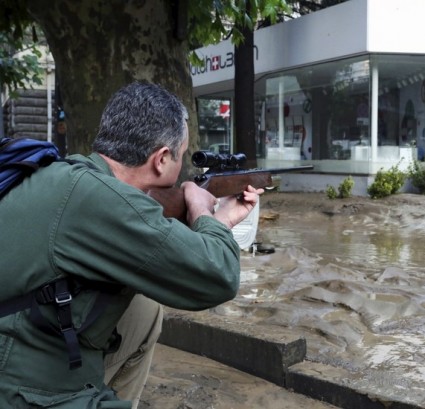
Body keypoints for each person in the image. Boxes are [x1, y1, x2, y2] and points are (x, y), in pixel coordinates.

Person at [0, 81, 262, 408]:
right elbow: (218, 276)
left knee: (143, 312)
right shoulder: (101, 201)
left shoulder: (74, 176)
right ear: (162, 159)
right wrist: (206, 213)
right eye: (181, 156)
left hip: (25, 334)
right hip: (17, 380)